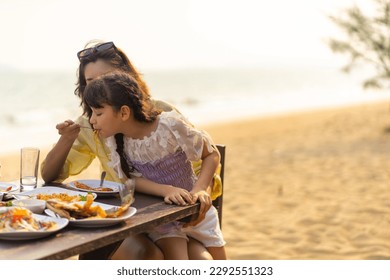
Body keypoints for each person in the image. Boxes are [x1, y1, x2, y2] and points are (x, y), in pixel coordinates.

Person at [41, 40, 223, 260]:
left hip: (176, 216)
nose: (101, 86)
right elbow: (50, 176)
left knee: (204, 262)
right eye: (91, 82)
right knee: (149, 255)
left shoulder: (161, 115)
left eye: (107, 77)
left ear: (127, 78)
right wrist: (66, 140)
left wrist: (196, 199)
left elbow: (202, 160)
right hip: (126, 217)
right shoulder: (90, 124)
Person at [82, 71, 227, 259]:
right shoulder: (115, 142)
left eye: (98, 113)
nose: (92, 119)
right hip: (164, 220)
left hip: (196, 213)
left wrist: (200, 189)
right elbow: (130, 180)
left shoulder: (169, 126)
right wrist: (166, 190)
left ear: (124, 112)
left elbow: (212, 154)